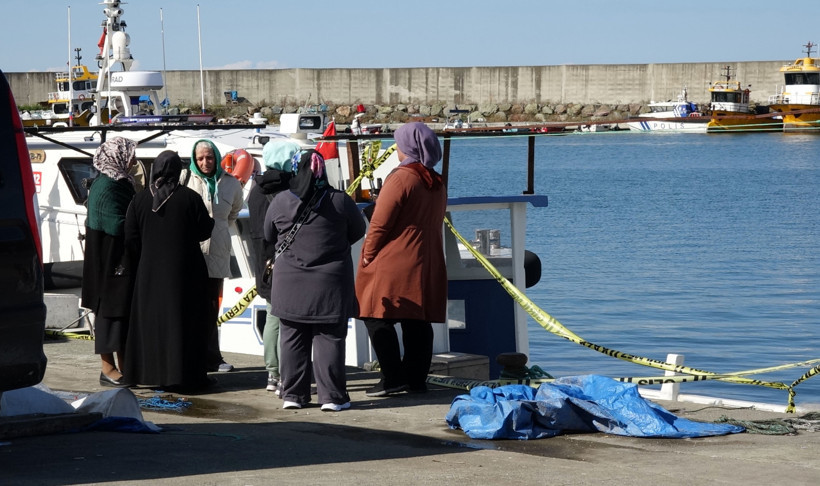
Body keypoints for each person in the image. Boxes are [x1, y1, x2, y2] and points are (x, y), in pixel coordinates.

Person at [264, 149, 366, 411]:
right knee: (329, 338)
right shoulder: (340, 201)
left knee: (291, 338)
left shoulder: (280, 201)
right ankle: (331, 397)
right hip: (330, 283)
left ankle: (292, 395)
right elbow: (357, 231)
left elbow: (268, 233)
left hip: (288, 283)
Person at [355, 122, 448, 397]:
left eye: (398, 144)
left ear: (408, 147)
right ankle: (416, 378)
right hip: (427, 254)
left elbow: (380, 224)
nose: (395, 149)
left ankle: (392, 377)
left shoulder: (401, 177)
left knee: (374, 313)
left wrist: (367, 256)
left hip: (397, 256)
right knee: (416, 320)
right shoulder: (436, 180)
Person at [123, 150, 215, 392]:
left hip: (149, 273)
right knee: (184, 322)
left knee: (150, 323)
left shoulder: (140, 199)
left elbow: (131, 237)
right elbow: (205, 230)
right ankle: (185, 376)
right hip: (185, 272)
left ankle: (148, 373)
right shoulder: (189, 198)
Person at [183, 139, 245, 373]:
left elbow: (234, 213)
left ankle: (212, 356)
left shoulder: (231, 184)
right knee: (190, 305)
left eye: (209, 157)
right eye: (200, 158)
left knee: (211, 306)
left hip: (218, 249)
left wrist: (218, 230)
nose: (205, 162)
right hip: (192, 250)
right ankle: (191, 354)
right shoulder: (186, 180)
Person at [81, 137, 138, 387]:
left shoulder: (120, 182)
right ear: (118, 156)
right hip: (109, 259)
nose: (134, 160)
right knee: (110, 314)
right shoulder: (107, 186)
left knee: (122, 313)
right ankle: (107, 368)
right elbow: (115, 223)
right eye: (130, 155)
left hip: (119, 258)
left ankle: (125, 367)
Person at [247, 139, 298, 394]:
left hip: (262, 259)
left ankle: (272, 372)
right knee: (285, 320)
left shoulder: (256, 189)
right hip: (285, 260)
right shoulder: (287, 188)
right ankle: (286, 373)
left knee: (272, 318)